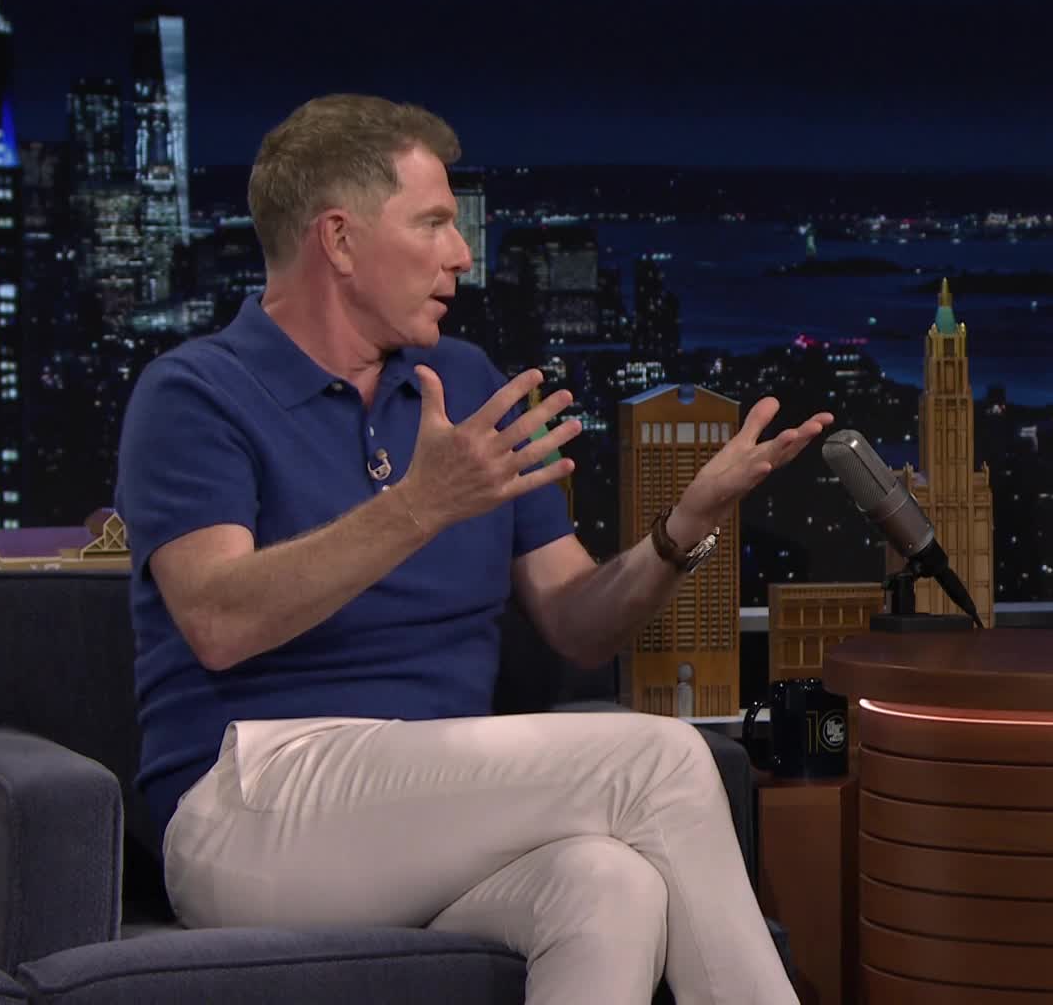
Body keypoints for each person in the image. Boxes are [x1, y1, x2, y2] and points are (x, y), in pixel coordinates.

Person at [115, 94, 829, 1003]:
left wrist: (682, 527)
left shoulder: (463, 382)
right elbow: (218, 620)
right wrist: (419, 506)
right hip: (250, 805)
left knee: (610, 885)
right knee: (663, 759)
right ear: (339, 241)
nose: (461, 254)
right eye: (433, 224)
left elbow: (577, 623)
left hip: (435, 810)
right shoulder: (194, 393)